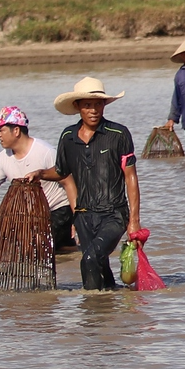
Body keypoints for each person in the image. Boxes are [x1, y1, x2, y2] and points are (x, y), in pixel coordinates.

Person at [51, 77, 141, 290]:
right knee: (99, 266)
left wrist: (134, 220)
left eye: (98, 104)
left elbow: (131, 177)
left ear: (104, 105)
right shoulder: (67, 137)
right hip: (83, 215)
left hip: (114, 214)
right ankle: (109, 309)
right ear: (77, 107)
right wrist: (37, 174)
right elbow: (60, 172)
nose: (93, 110)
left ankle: (90, 313)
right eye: (87, 105)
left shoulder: (118, 134)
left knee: (90, 258)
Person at [0, 106, 75, 252]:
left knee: (34, 250)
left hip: (58, 211)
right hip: (31, 216)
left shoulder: (45, 152)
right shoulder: (2, 159)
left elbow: (69, 183)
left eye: (1, 130)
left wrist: (78, 217)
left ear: (16, 130)